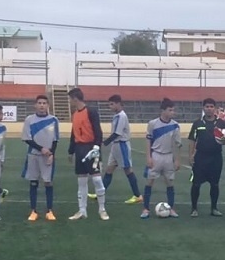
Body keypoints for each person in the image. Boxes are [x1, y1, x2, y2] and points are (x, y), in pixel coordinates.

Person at [67, 87, 108, 220]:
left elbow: (98, 131)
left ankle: (102, 209)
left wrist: (96, 147)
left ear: (75, 98)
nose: (69, 101)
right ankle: (82, 210)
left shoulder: (91, 111)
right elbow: (74, 134)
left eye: (70, 99)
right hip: (79, 149)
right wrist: (71, 151)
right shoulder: (75, 114)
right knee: (82, 181)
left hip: (91, 148)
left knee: (96, 179)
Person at [140, 98, 182, 219]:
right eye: (170, 110)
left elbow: (178, 144)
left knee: (170, 182)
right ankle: (146, 208)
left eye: (173, 110)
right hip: (156, 155)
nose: (172, 112)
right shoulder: (153, 124)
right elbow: (148, 140)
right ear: (163, 111)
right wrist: (148, 157)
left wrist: (177, 159)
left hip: (168, 156)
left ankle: (171, 208)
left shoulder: (175, 125)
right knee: (150, 181)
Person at [188, 98, 225, 217]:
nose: (209, 109)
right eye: (207, 106)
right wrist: (191, 156)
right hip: (200, 157)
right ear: (203, 108)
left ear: (215, 109)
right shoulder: (198, 123)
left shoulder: (221, 123)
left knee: (215, 184)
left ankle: (214, 208)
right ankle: (194, 208)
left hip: (216, 158)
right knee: (196, 184)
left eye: (211, 106)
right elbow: (192, 140)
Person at [22, 94, 59, 221]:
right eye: (39, 103)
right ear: (35, 105)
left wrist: (51, 153)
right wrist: (41, 149)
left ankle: (49, 210)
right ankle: (33, 210)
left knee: (48, 182)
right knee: (33, 182)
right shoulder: (29, 120)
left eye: (44, 103)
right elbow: (27, 139)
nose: (42, 105)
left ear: (48, 105)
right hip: (34, 155)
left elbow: (55, 139)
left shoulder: (54, 120)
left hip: (47, 157)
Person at [101, 94, 143, 205]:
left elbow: (117, 133)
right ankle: (100, 192)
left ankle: (137, 195)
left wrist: (104, 142)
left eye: (111, 104)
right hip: (116, 146)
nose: (110, 106)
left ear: (118, 104)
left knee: (128, 170)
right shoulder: (116, 116)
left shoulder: (121, 116)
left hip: (122, 145)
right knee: (109, 169)